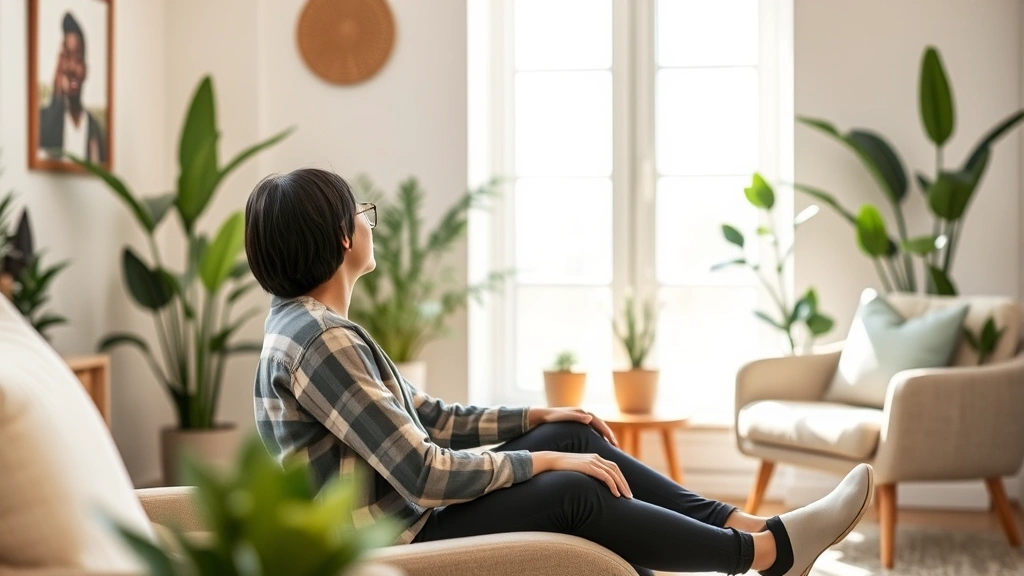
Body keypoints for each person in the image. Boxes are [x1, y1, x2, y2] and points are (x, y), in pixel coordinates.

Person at [245, 168, 875, 576]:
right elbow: (425, 472)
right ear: (339, 237)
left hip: (403, 513)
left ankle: (744, 524)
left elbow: (427, 418)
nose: (367, 221)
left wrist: (538, 419)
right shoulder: (320, 341)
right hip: (397, 535)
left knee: (572, 436)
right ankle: (766, 553)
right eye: (361, 212)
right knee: (573, 488)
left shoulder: (306, 327)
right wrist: (542, 463)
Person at [39, 12, 107, 163]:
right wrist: (57, 94)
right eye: (66, 57)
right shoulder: (44, 119)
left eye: (78, 58)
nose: (71, 68)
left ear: (86, 69)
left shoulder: (95, 129)